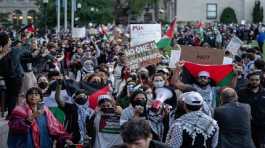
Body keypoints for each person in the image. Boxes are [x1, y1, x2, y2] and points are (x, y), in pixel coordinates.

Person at [7, 87, 72, 148]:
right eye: (31, 94)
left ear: (40, 98)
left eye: (36, 94)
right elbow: (14, 127)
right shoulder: (19, 110)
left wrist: (65, 139)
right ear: (27, 97)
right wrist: (31, 117)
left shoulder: (47, 112)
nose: (33, 96)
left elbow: (56, 128)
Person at [55, 80, 94, 145]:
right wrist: (59, 86)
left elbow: (91, 127)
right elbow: (58, 99)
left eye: (84, 96)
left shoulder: (91, 112)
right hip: (70, 140)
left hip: (85, 141)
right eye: (79, 95)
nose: (82, 97)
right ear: (74, 98)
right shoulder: (71, 107)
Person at [238, 71, 265, 148]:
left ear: (260, 80)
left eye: (257, 80)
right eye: (252, 80)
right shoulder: (241, 92)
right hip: (247, 125)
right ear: (249, 80)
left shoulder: (264, 92)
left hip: (262, 126)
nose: (254, 82)